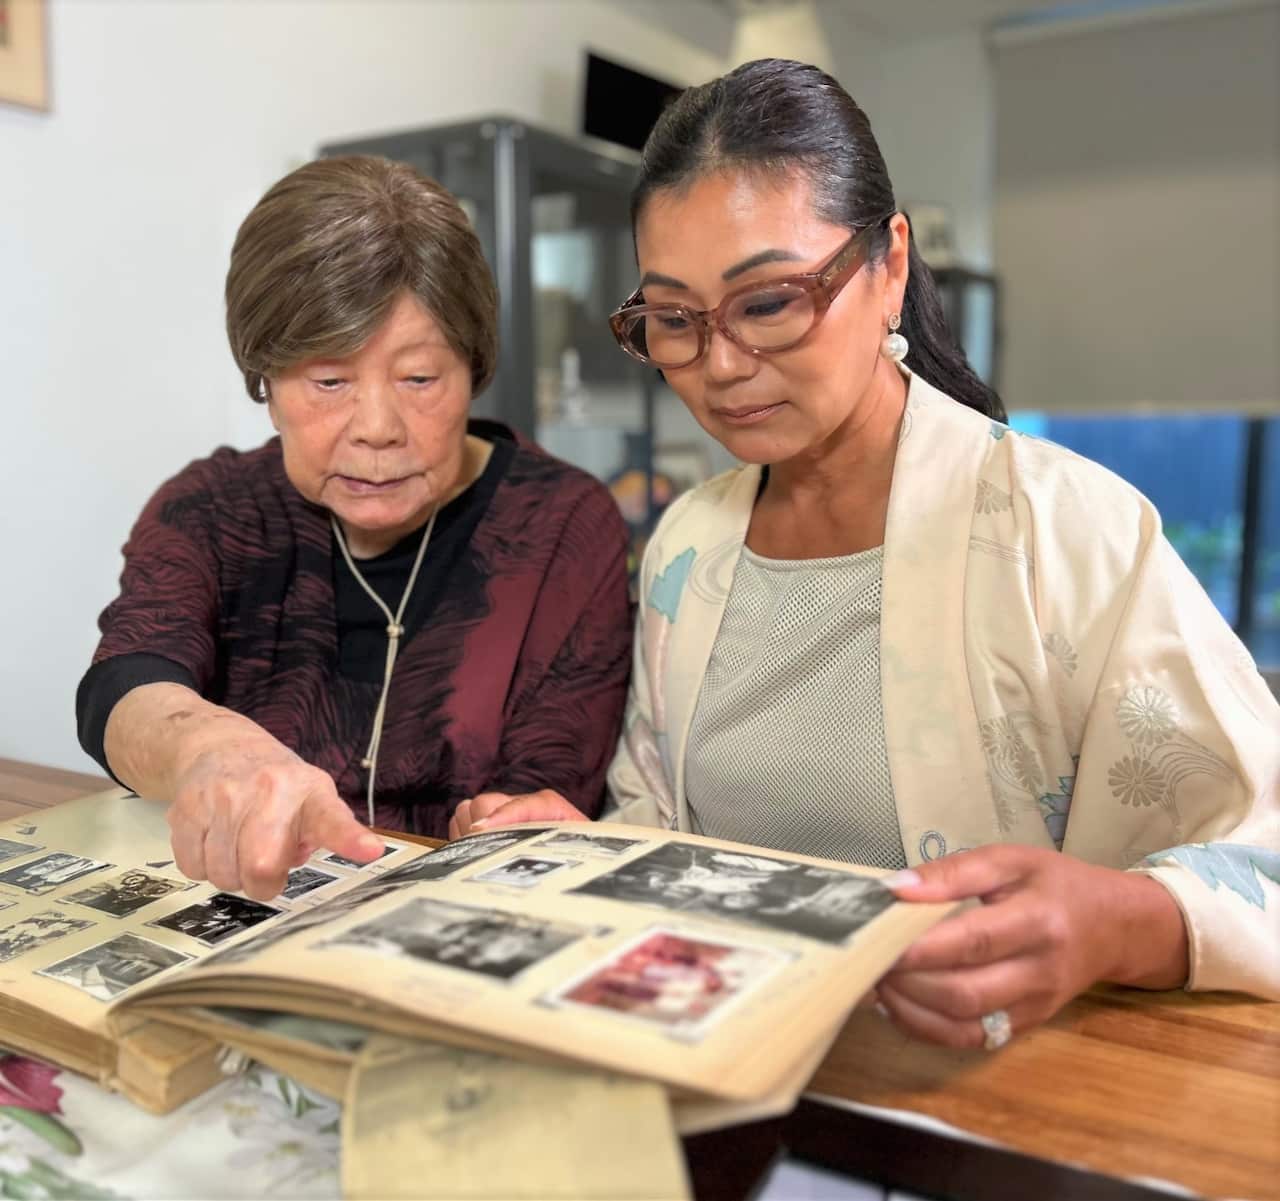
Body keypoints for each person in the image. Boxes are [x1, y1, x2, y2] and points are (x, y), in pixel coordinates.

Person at [450, 59, 1280, 1048]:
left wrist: (1115, 923)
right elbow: (672, 841)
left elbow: (1259, 858)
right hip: (738, 1070)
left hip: (994, 1092)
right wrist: (588, 855)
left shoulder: (1067, 532)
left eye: (766, 303)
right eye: (674, 320)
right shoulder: (689, 542)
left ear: (888, 266)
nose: (718, 365)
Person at [78, 156, 632, 902]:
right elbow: (125, 682)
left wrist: (518, 821)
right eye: (330, 381)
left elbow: (547, 782)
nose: (377, 429)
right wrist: (208, 748)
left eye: (420, 379)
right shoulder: (213, 509)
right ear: (265, 386)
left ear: (475, 369)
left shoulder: (562, 526)